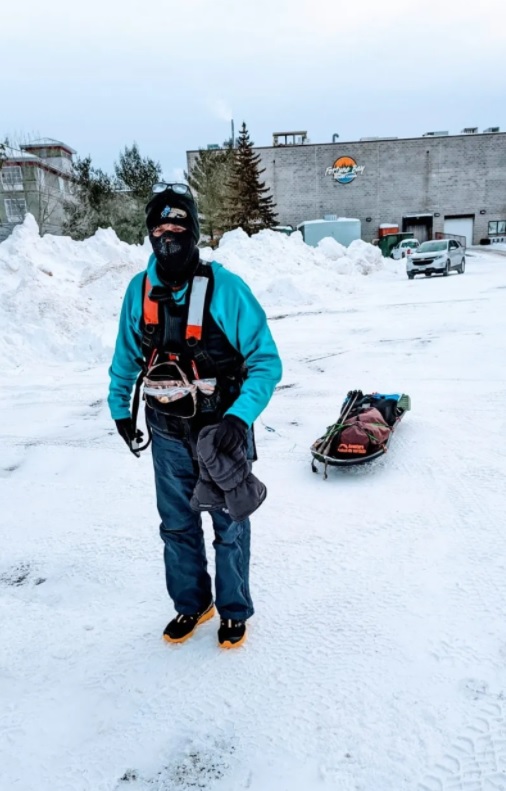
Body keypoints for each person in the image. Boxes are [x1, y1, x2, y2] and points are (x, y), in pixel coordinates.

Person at [108, 183, 282, 649]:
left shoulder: (227, 289)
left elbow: (266, 361)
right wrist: (120, 411)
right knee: (176, 524)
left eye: (177, 227)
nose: (168, 237)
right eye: (159, 228)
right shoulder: (138, 291)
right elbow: (126, 358)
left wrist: (239, 418)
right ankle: (192, 603)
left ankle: (233, 610)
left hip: (220, 430)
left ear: (194, 232)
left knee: (229, 522)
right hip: (165, 431)